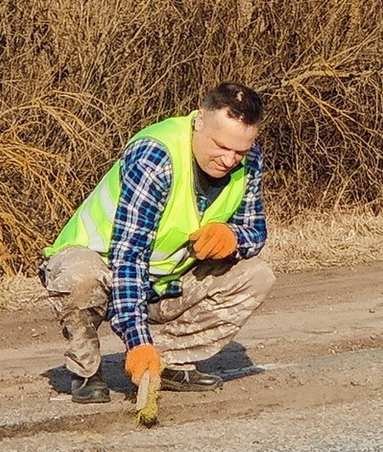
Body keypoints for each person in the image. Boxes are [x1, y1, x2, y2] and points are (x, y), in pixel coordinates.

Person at [40, 83, 274, 403]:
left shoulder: (250, 161)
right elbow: (129, 254)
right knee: (80, 278)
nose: (230, 159)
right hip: (104, 262)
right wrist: (137, 342)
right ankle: (86, 371)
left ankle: (166, 363)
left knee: (255, 275)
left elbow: (255, 229)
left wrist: (233, 238)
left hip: (166, 277)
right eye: (221, 146)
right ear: (199, 120)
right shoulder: (155, 155)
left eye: (240, 151)